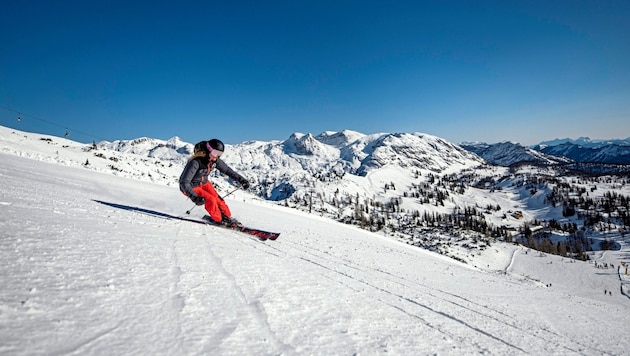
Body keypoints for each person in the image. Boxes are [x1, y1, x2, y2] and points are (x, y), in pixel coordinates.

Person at [179, 139, 250, 226]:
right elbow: (183, 182)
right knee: (211, 200)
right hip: (192, 186)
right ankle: (219, 219)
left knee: (218, 200)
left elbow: (227, 170)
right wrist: (194, 197)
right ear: (208, 150)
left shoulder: (214, 161)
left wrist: (241, 180)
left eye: (219, 154)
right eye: (215, 153)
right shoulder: (195, 162)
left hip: (204, 183)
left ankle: (227, 217)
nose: (216, 156)